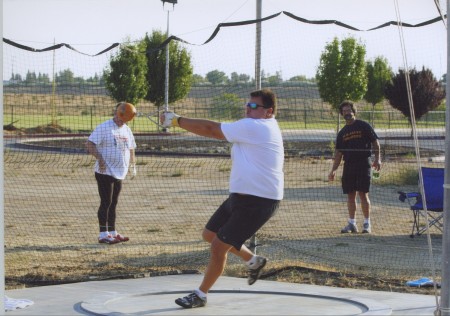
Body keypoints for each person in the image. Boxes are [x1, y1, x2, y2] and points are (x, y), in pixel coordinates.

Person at [160, 89, 284, 309]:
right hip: (241, 198)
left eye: (254, 106)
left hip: (259, 201)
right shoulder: (253, 125)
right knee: (210, 234)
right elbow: (216, 128)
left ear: (269, 111)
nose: (248, 108)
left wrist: (177, 120)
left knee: (218, 247)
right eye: (247, 104)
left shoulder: (257, 127)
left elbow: (211, 129)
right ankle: (253, 261)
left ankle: (200, 294)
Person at [86, 102, 137, 244]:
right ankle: (103, 234)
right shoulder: (104, 127)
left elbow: (131, 148)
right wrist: (100, 159)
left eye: (125, 120)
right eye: (121, 118)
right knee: (106, 202)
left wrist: (132, 165)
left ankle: (113, 232)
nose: (122, 122)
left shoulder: (126, 129)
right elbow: (89, 144)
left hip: (119, 172)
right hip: (104, 172)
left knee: (114, 203)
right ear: (116, 113)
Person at [328, 100, 381, 234]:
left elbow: (376, 143)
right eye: (344, 111)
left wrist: (378, 159)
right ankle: (352, 224)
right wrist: (333, 170)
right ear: (341, 114)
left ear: (354, 111)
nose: (347, 113)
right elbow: (339, 153)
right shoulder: (342, 133)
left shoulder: (364, 126)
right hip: (349, 166)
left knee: (363, 194)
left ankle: (367, 224)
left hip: (364, 164)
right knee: (350, 195)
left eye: (349, 110)